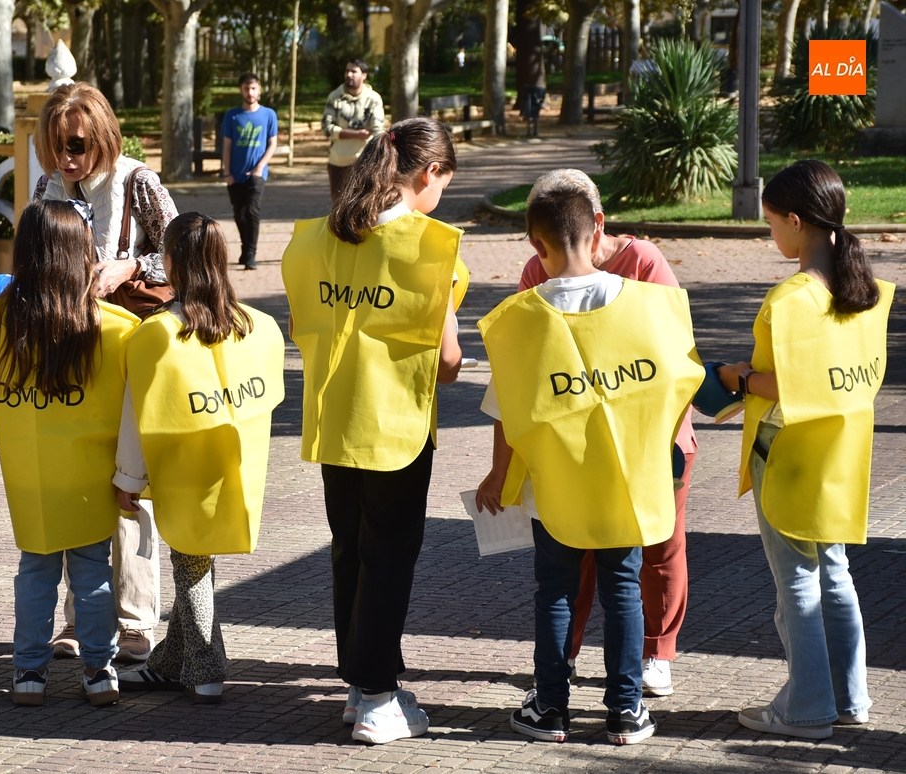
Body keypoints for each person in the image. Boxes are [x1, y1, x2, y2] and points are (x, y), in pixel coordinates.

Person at [476, 177, 703, 745]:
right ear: (596, 227)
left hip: (556, 484)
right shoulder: (646, 304)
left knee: (555, 589)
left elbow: (506, 410)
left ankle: (550, 707)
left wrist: (498, 475)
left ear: (536, 245)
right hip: (628, 475)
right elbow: (681, 380)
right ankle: (627, 710)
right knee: (623, 588)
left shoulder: (520, 317)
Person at [282, 116, 464, 745]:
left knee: (351, 552)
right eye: (444, 184)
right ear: (428, 172)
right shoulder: (429, 246)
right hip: (396, 425)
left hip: (334, 417)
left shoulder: (318, 236)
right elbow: (447, 362)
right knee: (388, 559)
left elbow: (305, 322)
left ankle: (361, 685)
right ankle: (379, 699)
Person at [716, 160, 891, 740]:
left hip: (786, 451)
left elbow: (784, 381)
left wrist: (739, 377)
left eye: (771, 223)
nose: (771, 235)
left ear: (795, 221)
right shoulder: (864, 291)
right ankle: (850, 696)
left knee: (796, 580)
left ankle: (807, 708)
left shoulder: (791, 297)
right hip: (838, 453)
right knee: (835, 572)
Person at [35, 81, 178, 664]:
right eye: (55, 147)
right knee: (81, 479)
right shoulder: (50, 186)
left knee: (130, 482)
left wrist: (130, 266)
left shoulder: (138, 182)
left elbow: (186, 254)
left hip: (131, 349)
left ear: (103, 137)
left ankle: (137, 620)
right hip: (71, 348)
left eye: (76, 145)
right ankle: (81, 619)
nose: (65, 159)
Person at [114, 213, 285, 703]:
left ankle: (207, 666)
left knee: (190, 560)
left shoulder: (156, 334)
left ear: (169, 262)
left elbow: (137, 412)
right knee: (196, 556)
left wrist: (128, 477)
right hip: (236, 462)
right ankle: (171, 661)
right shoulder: (256, 325)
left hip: (180, 465)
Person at [0, 200, 142, 706]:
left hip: (28, 477)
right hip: (90, 477)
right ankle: (99, 671)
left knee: (34, 572)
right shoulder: (116, 327)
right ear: (81, 252)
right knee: (93, 574)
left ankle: (28, 672)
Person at [222, 72, 278, 271]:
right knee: (240, 214)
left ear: (259, 89)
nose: (250, 92)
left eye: (253, 88)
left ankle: (251, 254)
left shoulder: (269, 114)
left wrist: (260, 166)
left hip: (257, 173)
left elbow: (272, 143)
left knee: (252, 211)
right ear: (241, 90)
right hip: (235, 174)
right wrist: (227, 172)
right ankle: (245, 249)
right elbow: (227, 146)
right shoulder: (232, 115)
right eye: (246, 88)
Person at [322, 59, 385, 203]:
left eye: (353, 71)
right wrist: (356, 134)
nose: (349, 74)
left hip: (364, 161)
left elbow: (378, 130)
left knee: (364, 205)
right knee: (339, 207)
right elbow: (326, 128)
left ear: (364, 75)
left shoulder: (373, 99)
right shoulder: (334, 97)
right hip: (338, 162)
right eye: (347, 71)